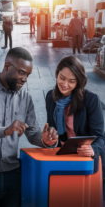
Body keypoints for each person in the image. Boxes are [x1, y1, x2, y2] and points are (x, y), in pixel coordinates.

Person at [0, 47, 58, 207]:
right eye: (21, 72)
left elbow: (32, 131)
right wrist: (4, 130)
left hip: (14, 176)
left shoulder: (26, 98)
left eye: (27, 75)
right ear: (7, 66)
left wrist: (45, 140)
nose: (25, 79)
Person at [45, 56, 105, 196]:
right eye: (62, 77)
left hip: (87, 159)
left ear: (78, 82)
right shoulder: (50, 97)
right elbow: (52, 130)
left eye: (72, 81)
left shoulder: (90, 99)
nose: (65, 84)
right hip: (64, 157)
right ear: (57, 73)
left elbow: (100, 137)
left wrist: (92, 150)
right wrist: (49, 139)